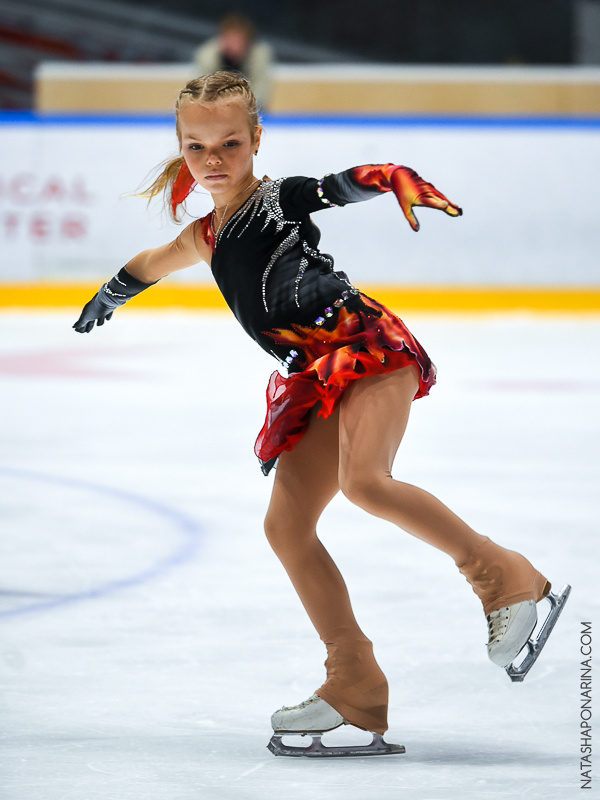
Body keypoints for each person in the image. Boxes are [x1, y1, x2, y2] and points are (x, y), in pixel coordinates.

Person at [73, 71, 569, 758]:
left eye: (230, 144)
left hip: (364, 346)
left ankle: (501, 577)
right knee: (286, 526)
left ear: (255, 140)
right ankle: (354, 684)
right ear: (181, 147)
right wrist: (112, 292)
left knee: (367, 482)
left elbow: (340, 185)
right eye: (196, 147)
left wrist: (390, 175)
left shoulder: (278, 202)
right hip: (315, 377)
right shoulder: (207, 236)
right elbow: (155, 260)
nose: (213, 161)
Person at [194, 14, 273, 110]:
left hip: (250, 110)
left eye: (238, 40)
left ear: (247, 42)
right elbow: (202, 91)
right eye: (230, 39)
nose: (233, 45)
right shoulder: (208, 56)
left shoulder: (259, 56)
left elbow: (261, 91)